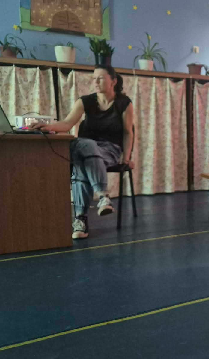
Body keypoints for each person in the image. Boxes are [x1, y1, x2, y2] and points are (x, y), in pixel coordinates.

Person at [34, 65, 135, 239]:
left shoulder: (124, 103)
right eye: (94, 78)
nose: (95, 82)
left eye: (100, 78)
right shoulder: (85, 101)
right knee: (83, 146)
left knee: (80, 160)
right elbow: (67, 124)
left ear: (113, 81)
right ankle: (103, 196)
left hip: (110, 150)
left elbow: (128, 132)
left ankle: (80, 219)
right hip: (86, 148)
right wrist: (48, 126)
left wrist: (126, 158)